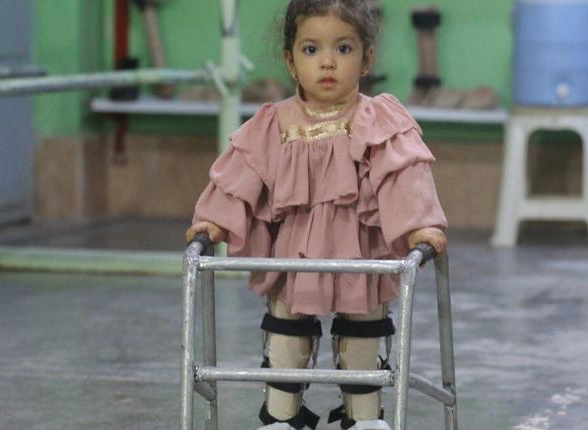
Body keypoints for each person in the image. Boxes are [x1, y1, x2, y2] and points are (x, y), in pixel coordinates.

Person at [186, 1, 447, 428]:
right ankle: (280, 415)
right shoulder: (275, 123)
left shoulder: (379, 118)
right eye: (311, 50)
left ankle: (364, 416)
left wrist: (421, 223)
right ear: (290, 60)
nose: (327, 62)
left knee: (363, 331)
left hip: (359, 250)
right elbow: (240, 173)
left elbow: (405, 177)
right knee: (287, 330)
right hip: (297, 251)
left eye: (343, 49)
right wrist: (214, 219)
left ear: (367, 59)